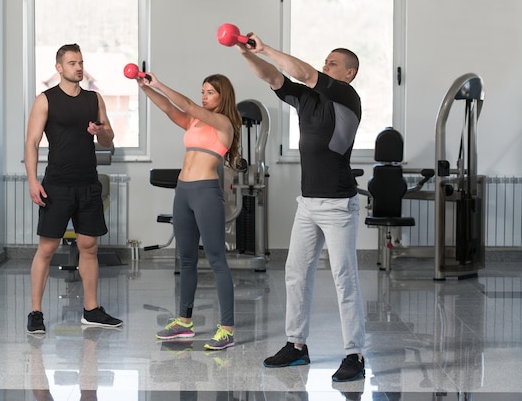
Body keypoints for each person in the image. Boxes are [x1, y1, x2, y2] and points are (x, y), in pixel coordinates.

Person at [234, 33, 366, 381]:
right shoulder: (309, 99)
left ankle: (354, 354)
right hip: (307, 203)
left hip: (339, 205)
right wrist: (245, 51)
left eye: (333, 63)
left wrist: (263, 46)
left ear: (349, 73)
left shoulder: (347, 96)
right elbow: (273, 77)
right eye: (326, 61)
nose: (326, 66)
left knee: (344, 278)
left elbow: (303, 72)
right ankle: (296, 346)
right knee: (295, 273)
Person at [134, 71, 242, 350]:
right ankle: (184, 322)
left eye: (210, 92)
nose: (204, 97)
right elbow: (170, 108)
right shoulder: (195, 121)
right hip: (183, 191)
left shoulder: (223, 123)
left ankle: (227, 330)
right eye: (203, 91)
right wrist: (145, 88)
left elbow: (188, 106)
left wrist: (159, 82)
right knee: (186, 259)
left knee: (217, 259)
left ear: (223, 96)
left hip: (206, 192)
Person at [24, 43, 122, 334]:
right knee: (48, 248)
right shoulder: (46, 100)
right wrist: (32, 179)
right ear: (59, 68)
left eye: (80, 62)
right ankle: (36, 312)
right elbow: (31, 142)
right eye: (71, 63)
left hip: (87, 183)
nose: (78, 67)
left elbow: (108, 140)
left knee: (89, 247)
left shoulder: (94, 99)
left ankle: (91, 310)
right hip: (57, 184)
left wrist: (100, 131)